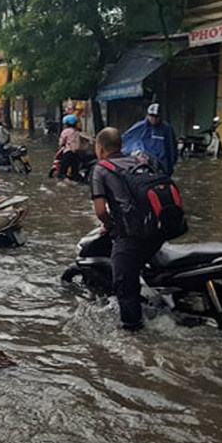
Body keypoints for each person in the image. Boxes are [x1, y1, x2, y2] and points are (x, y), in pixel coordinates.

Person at [90, 127, 165, 331]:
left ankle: (133, 335)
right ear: (120, 146)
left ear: (100, 148)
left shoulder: (101, 169)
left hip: (130, 235)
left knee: (125, 287)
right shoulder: (140, 161)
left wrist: (109, 226)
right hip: (156, 231)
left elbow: (100, 211)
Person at [122, 103, 178, 175]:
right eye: (152, 116)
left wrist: (171, 164)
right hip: (145, 164)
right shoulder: (140, 127)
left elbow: (172, 147)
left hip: (162, 165)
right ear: (148, 115)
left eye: (156, 116)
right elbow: (126, 139)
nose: (154, 119)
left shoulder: (167, 129)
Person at [58, 114, 82, 182]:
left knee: (62, 172)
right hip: (76, 154)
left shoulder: (65, 131)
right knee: (75, 172)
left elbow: (61, 143)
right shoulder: (77, 132)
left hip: (67, 153)